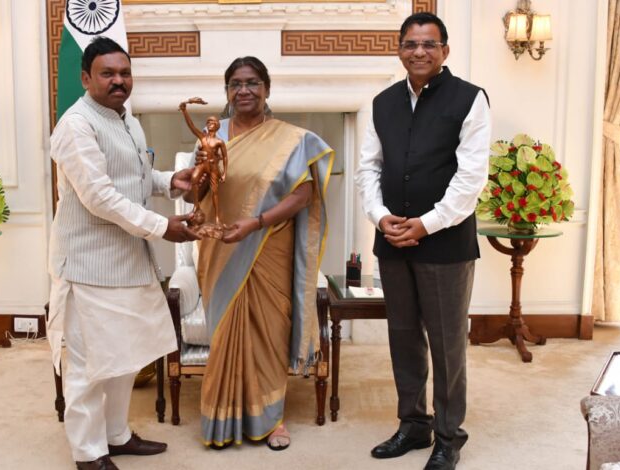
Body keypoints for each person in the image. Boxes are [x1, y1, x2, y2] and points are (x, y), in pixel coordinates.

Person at [47, 36, 199, 470]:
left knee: (124, 356)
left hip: (129, 260)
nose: (119, 81)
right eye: (108, 74)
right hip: (88, 265)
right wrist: (162, 226)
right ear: (85, 78)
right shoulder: (76, 126)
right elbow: (99, 196)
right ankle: (88, 452)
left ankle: (115, 435)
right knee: (87, 365)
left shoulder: (126, 117)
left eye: (125, 73)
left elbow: (135, 174)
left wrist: (170, 181)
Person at [354, 12, 491, 470]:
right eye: (411, 44)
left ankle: (449, 437)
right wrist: (380, 217)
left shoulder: (470, 99)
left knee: (448, 345)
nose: (419, 52)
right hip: (392, 239)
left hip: (446, 244)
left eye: (429, 44)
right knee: (403, 337)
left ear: (444, 50)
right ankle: (414, 425)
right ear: (399, 50)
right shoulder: (382, 103)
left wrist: (427, 224)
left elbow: (471, 178)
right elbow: (368, 168)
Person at [190, 56, 333, 451]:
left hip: (269, 244)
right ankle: (223, 418)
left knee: (269, 333)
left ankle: (273, 420)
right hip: (220, 249)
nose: (244, 90)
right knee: (225, 333)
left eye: (252, 82)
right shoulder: (210, 139)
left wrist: (255, 223)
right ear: (227, 91)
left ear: (267, 88)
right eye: (235, 84)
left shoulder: (291, 140)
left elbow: (303, 195)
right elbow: (194, 197)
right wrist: (200, 170)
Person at [178, 97, 228, 232]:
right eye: (209, 122)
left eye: (213, 122)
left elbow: (224, 157)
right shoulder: (203, 137)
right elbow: (191, 126)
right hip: (203, 165)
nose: (210, 124)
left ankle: (217, 218)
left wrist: (224, 173)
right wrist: (184, 111)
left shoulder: (219, 142)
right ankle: (197, 206)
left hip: (213, 167)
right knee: (194, 179)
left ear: (217, 126)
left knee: (215, 192)